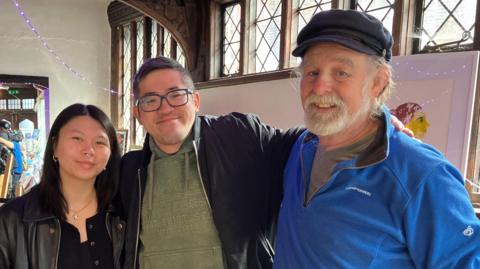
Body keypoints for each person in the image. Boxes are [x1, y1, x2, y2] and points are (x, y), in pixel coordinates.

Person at [119, 56, 411, 269]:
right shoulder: (129, 170)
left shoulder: (237, 135)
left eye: (175, 95)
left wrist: (362, 124)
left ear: (195, 101)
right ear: (138, 113)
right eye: (151, 100)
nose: (165, 108)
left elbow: (301, 140)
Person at [273, 9, 480, 268]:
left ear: (378, 83)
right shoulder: (299, 149)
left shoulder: (422, 176)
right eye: (312, 72)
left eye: (341, 73)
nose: (319, 87)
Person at [0, 104, 125, 269]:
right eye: (77, 138)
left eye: (100, 142)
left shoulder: (121, 215)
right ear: (54, 146)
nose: (89, 150)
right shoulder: (11, 219)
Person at [0, 130, 25, 198]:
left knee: (14, 189)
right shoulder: (18, 144)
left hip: (16, 170)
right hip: (19, 169)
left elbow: (5, 142)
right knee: (16, 187)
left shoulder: (14, 144)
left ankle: (14, 201)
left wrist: (1, 139)